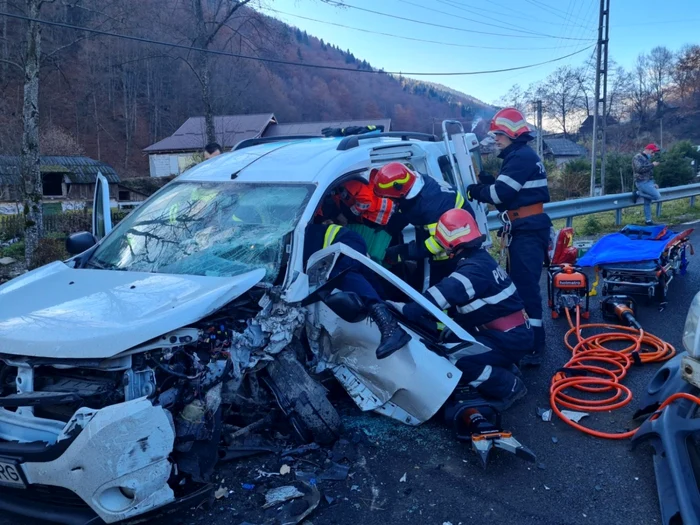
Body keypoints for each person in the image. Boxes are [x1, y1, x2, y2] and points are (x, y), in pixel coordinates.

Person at [389, 208, 532, 409]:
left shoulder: (471, 271)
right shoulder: (481, 259)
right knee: (454, 342)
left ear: (449, 244)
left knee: (459, 361)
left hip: (508, 337)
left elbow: (440, 295)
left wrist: (404, 309)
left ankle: (509, 387)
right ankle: (506, 367)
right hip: (511, 333)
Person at [464, 107, 550, 367]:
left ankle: (535, 344)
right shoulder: (519, 156)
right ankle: (528, 338)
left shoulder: (520, 157)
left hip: (527, 229)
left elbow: (499, 196)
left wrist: (477, 190)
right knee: (521, 285)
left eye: (499, 134)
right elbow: (509, 197)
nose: (496, 139)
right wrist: (491, 184)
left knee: (525, 287)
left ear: (512, 134)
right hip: (524, 227)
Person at [304, 214, 411, 359]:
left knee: (340, 273)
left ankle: (391, 327)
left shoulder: (281, 242)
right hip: (343, 246)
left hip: (342, 242)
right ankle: (394, 311)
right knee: (370, 285)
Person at [373, 162, 471, 285]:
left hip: (454, 249)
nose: (392, 201)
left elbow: (437, 244)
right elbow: (412, 207)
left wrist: (403, 252)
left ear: (400, 191)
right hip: (443, 235)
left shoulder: (431, 205)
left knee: (442, 291)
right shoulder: (414, 182)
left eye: (391, 198)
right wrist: (391, 226)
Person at [632, 143, 661, 226]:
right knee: (657, 196)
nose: (653, 154)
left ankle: (648, 221)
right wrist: (652, 165)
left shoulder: (646, 158)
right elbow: (639, 169)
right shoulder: (637, 157)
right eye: (652, 152)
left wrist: (654, 183)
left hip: (649, 182)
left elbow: (649, 173)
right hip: (641, 182)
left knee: (647, 202)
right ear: (648, 150)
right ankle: (638, 193)